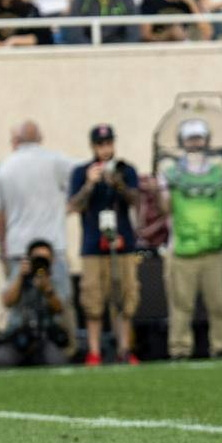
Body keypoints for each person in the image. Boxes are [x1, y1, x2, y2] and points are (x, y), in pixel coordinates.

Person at [159, 118, 222, 360]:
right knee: (180, 307)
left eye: (199, 138)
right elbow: (165, 208)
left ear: (206, 141)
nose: (195, 143)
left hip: (215, 248)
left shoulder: (221, 171)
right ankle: (179, 349)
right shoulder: (170, 173)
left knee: (219, 305)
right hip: (182, 250)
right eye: (190, 139)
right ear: (182, 143)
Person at [68, 123, 142, 364]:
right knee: (93, 300)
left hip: (123, 244)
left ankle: (124, 349)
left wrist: (117, 183)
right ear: (93, 147)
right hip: (92, 246)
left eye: (109, 143)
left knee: (124, 298)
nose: (105, 148)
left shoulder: (125, 169)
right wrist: (90, 184)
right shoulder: (81, 172)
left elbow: (135, 200)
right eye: (100, 144)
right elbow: (73, 206)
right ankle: (94, 351)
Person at [0, 120, 76, 298]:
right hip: (53, 248)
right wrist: (67, 208)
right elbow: (83, 174)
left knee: (20, 305)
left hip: (18, 248)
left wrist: (4, 250)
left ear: (16, 140)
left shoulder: (3, 167)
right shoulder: (56, 161)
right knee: (60, 303)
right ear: (40, 138)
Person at [0, 240, 74, 368]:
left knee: (56, 361)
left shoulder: (56, 277)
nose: (40, 263)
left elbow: (59, 309)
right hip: (18, 334)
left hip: (45, 336)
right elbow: (7, 302)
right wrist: (20, 277)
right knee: (1, 361)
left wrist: (47, 289)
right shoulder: (20, 272)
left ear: (52, 260)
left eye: (44, 259)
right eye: (37, 259)